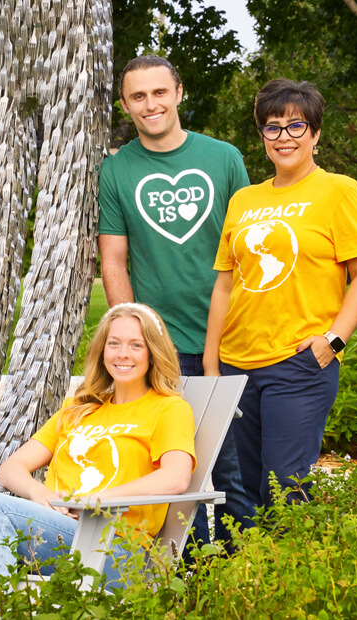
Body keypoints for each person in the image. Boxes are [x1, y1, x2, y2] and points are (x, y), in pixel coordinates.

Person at [0, 303, 196, 604]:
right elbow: (11, 468)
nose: (123, 354)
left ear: (152, 352)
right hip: (59, 528)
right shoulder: (79, 409)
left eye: (136, 345)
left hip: (115, 548)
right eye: (114, 343)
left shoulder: (168, 408)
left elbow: (175, 478)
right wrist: (39, 494)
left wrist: (96, 501)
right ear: (102, 350)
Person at [204, 79, 357, 517]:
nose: (284, 136)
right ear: (262, 136)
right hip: (236, 365)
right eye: (273, 127)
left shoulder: (339, 191)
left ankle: (290, 577)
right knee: (240, 486)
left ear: (316, 134)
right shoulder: (244, 199)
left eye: (296, 125)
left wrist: (333, 341)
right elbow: (226, 284)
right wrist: (211, 364)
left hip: (298, 364)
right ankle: (245, 581)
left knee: (285, 484)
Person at [97, 55, 253, 552]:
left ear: (179, 92)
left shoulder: (223, 158)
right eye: (138, 96)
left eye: (159, 93)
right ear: (125, 104)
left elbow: (248, 248)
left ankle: (240, 573)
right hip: (161, 347)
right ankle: (181, 575)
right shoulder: (117, 170)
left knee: (230, 469)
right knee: (172, 468)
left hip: (227, 340)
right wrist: (136, 334)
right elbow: (114, 261)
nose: (151, 104)